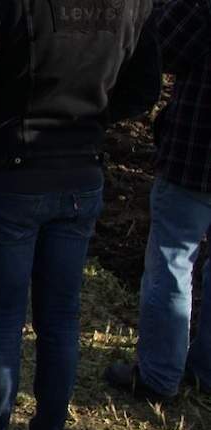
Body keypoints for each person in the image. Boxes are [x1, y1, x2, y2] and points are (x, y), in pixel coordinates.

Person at [0, 0, 161, 430]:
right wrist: (85, 124)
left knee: (2, 320)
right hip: (78, 172)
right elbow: (142, 89)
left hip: (13, 175)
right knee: (60, 319)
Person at [106, 0, 211, 403]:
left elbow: (162, 43)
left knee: (171, 261)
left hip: (198, 150)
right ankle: (205, 369)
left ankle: (158, 375)